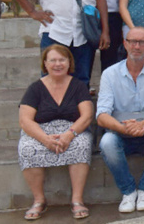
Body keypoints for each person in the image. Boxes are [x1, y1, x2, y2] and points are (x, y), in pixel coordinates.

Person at [96, 27, 144, 213]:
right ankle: (129, 191)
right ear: (125, 43)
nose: (136, 46)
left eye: (141, 42)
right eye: (132, 41)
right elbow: (101, 115)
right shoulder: (109, 74)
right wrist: (123, 129)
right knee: (107, 142)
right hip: (120, 130)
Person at [18, 45, 94, 220]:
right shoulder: (35, 88)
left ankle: (77, 200)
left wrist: (69, 134)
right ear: (45, 63)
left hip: (73, 130)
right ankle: (39, 200)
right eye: (53, 60)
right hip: (42, 132)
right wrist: (44, 139)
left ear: (69, 63)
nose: (57, 64)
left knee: (82, 144)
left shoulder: (78, 86)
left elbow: (87, 116)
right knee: (26, 147)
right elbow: (25, 120)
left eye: (62, 60)